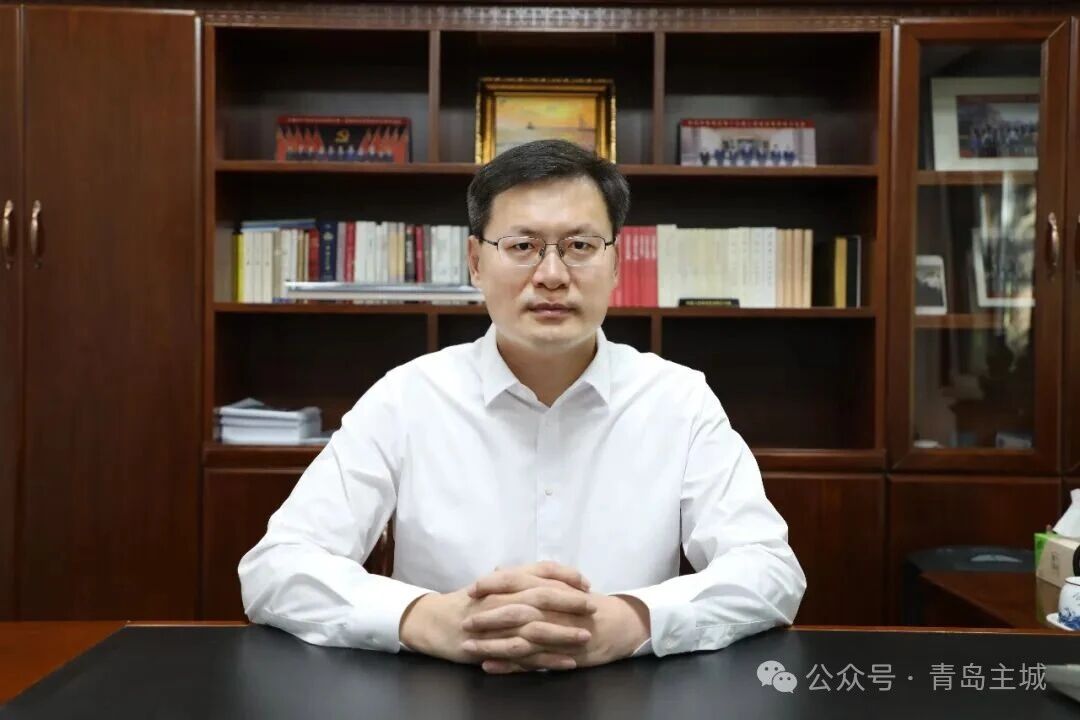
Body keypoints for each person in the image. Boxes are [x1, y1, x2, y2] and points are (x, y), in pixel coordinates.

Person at [238, 138, 806, 674]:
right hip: (436, 693)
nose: (552, 276)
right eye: (522, 246)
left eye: (580, 246)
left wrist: (633, 621)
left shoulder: (678, 399)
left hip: (627, 692)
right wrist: (425, 620)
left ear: (615, 263)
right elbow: (276, 568)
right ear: (475, 262)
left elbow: (770, 571)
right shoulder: (407, 397)